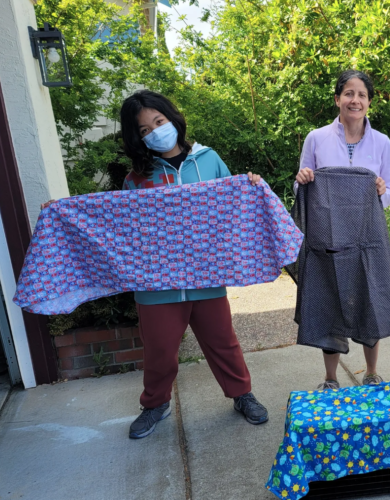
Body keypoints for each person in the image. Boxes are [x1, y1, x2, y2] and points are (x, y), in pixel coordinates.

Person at [119, 90, 268, 437]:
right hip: (157, 286)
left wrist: (250, 185)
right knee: (159, 351)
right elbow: (120, 227)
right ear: (137, 138)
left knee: (223, 342)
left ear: (172, 118)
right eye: (144, 130)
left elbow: (235, 206)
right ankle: (155, 404)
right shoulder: (135, 179)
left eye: (159, 121)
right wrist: (62, 212)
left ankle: (241, 394)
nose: (155, 131)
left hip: (206, 277)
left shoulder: (208, 160)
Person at [295, 70, 390, 390]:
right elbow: (301, 189)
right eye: (349, 93)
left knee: (370, 301)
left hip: (368, 239)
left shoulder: (382, 143)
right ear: (338, 99)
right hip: (329, 239)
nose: (355, 100)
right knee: (328, 302)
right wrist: (302, 181)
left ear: (369, 102)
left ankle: (370, 372)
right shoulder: (316, 138)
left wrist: (382, 189)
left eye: (362, 95)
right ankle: (330, 378)